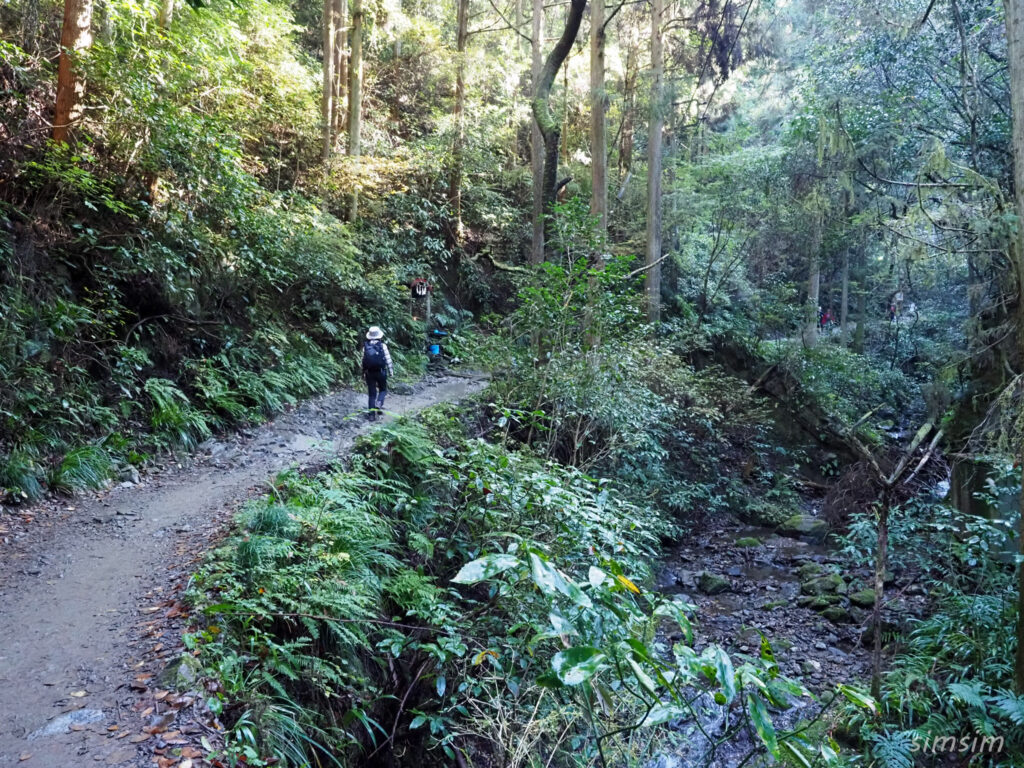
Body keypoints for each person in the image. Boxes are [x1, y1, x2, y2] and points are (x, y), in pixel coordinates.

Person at [361, 326, 393, 420]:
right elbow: (388, 359)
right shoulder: (383, 346)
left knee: (371, 394)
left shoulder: (365, 347)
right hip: (381, 372)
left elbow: (363, 361)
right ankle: (379, 403)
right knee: (383, 389)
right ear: (379, 335)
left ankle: (371, 416)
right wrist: (391, 371)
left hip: (369, 373)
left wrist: (363, 372)